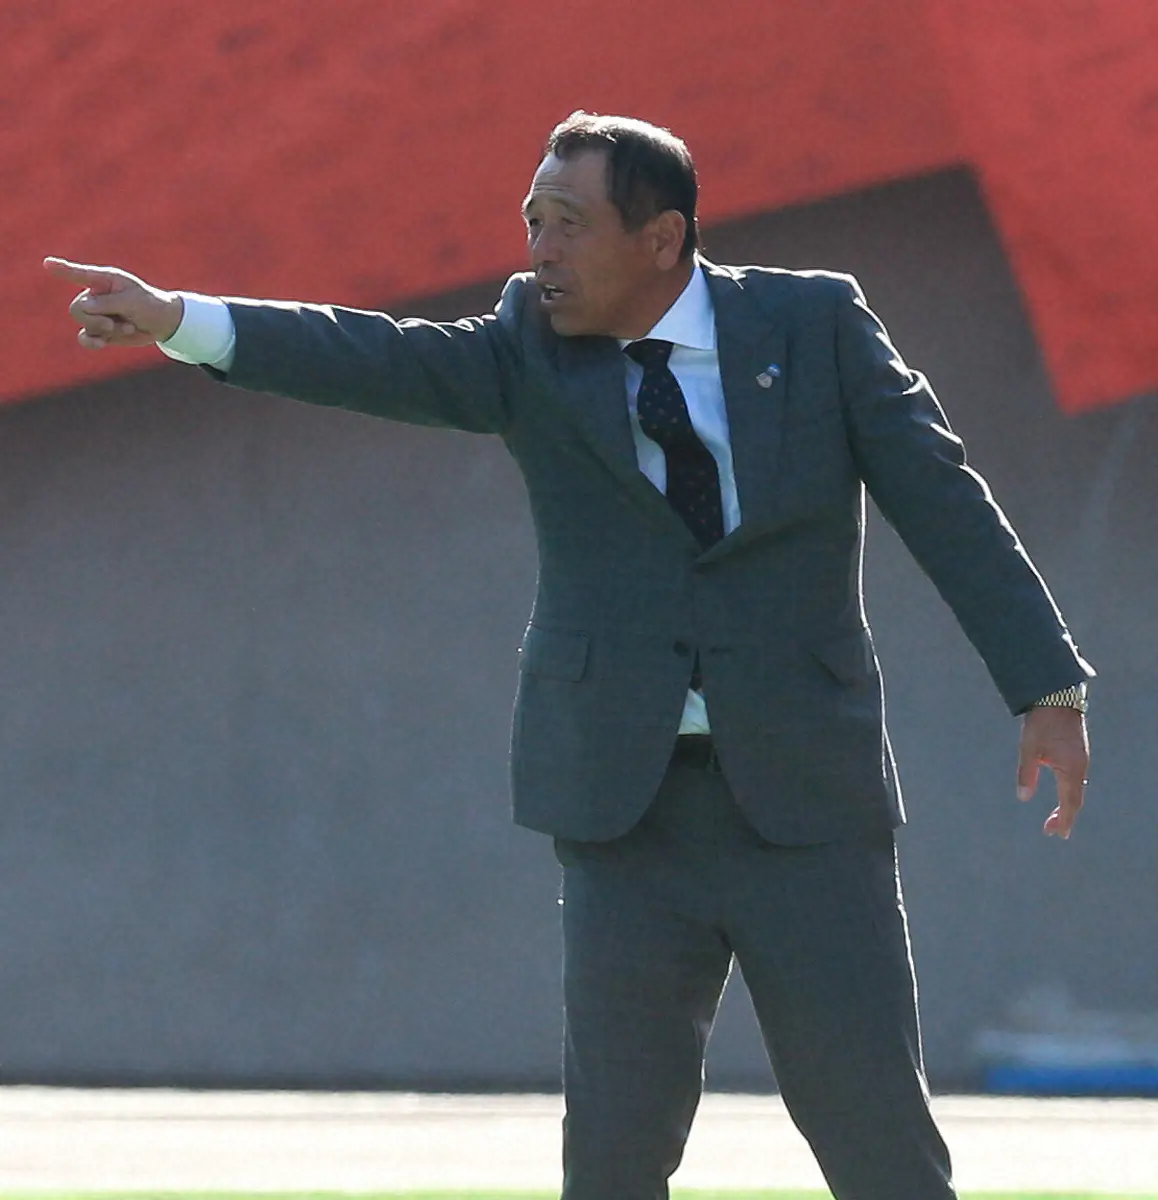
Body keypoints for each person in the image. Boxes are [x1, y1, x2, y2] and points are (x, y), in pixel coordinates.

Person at [46, 111, 1093, 1200]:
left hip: (807, 806)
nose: (540, 250)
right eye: (532, 222)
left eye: (568, 224)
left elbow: (946, 502)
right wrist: (178, 320)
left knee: (880, 1144)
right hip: (624, 808)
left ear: (662, 237)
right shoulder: (527, 345)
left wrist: (1048, 686)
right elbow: (370, 355)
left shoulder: (815, 325)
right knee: (613, 1155)